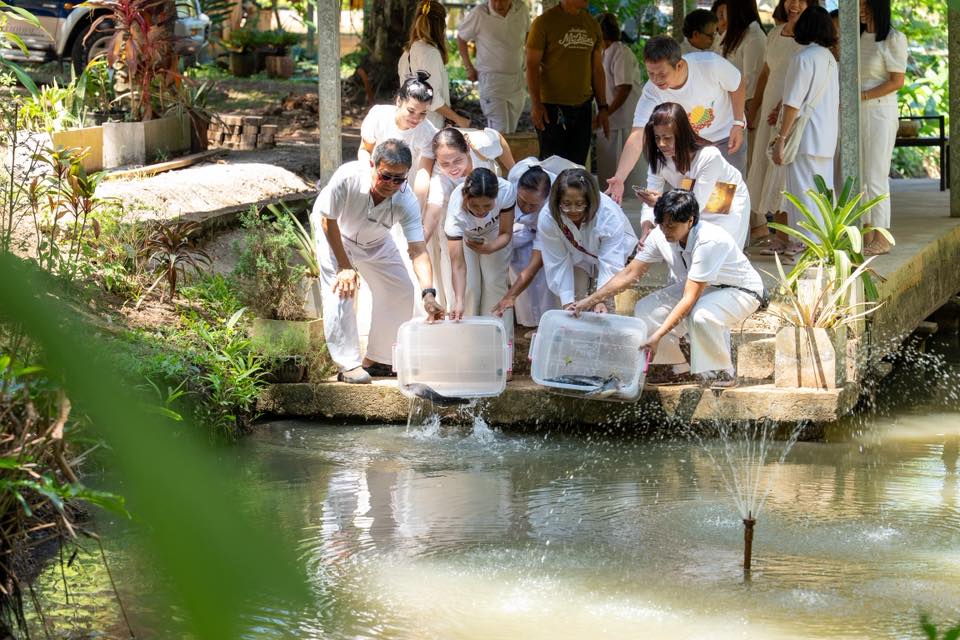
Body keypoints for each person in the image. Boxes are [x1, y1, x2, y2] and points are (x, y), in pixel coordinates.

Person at [571, 189, 764, 388]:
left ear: (690, 220)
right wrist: (588, 301)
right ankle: (677, 368)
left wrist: (658, 335)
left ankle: (721, 371)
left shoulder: (708, 240)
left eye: (672, 225)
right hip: (705, 288)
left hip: (741, 291)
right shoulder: (660, 235)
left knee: (702, 315)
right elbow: (630, 274)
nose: (666, 230)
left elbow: (689, 300)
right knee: (646, 309)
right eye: (662, 224)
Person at [312, 139, 444, 385]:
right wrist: (344, 266)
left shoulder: (406, 201)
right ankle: (348, 365)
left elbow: (418, 250)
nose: (392, 185)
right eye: (386, 176)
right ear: (373, 165)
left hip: (376, 240)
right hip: (336, 234)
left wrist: (428, 293)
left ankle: (378, 359)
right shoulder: (348, 177)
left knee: (401, 288)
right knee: (343, 291)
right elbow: (327, 221)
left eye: (399, 179)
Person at [607, 35, 747, 203]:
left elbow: (737, 85)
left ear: (679, 65)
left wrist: (738, 123)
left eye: (662, 74)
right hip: (691, 147)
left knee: (725, 202)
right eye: (651, 73)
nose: (656, 80)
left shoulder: (710, 64)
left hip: (726, 136)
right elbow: (638, 135)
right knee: (691, 202)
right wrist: (620, 177)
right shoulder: (652, 91)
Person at [745, 0, 816, 250]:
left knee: (788, 171)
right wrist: (754, 108)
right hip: (769, 109)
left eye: (801, 0)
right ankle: (781, 235)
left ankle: (801, 237)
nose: (794, 5)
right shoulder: (775, 33)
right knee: (770, 171)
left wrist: (785, 105)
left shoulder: (813, 38)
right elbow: (765, 73)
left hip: (794, 110)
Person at [635, 102, 750, 248]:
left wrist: (660, 202)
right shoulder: (660, 159)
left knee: (719, 252)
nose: (661, 144)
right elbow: (651, 196)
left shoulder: (709, 156)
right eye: (657, 138)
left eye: (668, 138)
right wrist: (647, 225)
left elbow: (696, 206)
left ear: (682, 135)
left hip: (727, 203)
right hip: (689, 204)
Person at [423, 128, 516, 307]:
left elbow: (498, 139)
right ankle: (465, 329)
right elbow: (433, 213)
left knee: (495, 282)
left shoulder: (480, 144)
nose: (453, 168)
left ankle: (497, 330)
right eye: (445, 163)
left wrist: (513, 169)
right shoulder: (439, 177)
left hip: (494, 223)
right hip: (459, 228)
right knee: (468, 289)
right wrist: (420, 242)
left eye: (458, 160)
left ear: (467, 149)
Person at [771, 6, 839, 248]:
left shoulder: (802, 58)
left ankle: (807, 251)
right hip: (826, 138)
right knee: (822, 197)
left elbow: (792, 105)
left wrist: (781, 138)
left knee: (802, 198)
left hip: (804, 139)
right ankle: (822, 250)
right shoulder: (830, 58)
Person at [538, 168, 638, 311]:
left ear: (590, 200)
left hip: (608, 257)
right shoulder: (548, 217)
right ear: (557, 201)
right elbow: (557, 262)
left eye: (579, 204)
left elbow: (610, 262)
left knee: (604, 308)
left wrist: (600, 300)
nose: (573, 210)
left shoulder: (608, 214)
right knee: (575, 298)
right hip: (576, 257)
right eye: (566, 204)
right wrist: (567, 302)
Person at [525, 0, 609, 165]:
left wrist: (603, 107)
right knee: (552, 167)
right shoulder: (544, 22)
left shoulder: (592, 24)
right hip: (551, 108)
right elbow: (532, 65)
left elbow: (597, 70)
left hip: (583, 107)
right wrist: (536, 105)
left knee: (577, 168)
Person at [499, 156, 574, 326]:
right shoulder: (515, 177)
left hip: (549, 233)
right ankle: (527, 320)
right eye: (523, 201)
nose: (526, 207)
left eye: (532, 205)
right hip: (521, 228)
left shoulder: (554, 203)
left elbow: (535, 263)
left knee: (544, 274)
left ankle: (546, 322)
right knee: (517, 264)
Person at [858, 0, 907, 256]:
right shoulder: (858, 36)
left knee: (876, 176)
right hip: (857, 114)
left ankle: (883, 236)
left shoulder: (894, 38)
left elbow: (897, 81)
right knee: (860, 177)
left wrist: (863, 96)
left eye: (865, 4)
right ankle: (865, 233)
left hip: (879, 113)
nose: (861, 9)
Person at [445, 168, 516, 323]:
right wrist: (459, 301)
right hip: (466, 235)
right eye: (475, 206)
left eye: (487, 205)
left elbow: (506, 233)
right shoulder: (456, 211)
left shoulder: (506, 190)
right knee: (469, 287)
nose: (481, 211)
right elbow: (457, 265)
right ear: (465, 196)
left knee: (494, 282)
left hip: (495, 231)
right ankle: (468, 337)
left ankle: (498, 335)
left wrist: (489, 248)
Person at [358, 72, 439, 204]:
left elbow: (423, 173)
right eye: (411, 111)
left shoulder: (428, 133)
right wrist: (367, 178)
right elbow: (365, 150)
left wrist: (416, 205)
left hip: (405, 190)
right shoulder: (378, 115)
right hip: (375, 182)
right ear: (399, 101)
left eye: (423, 113)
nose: (416, 118)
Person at [456, 0, 530, 134]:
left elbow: (529, 35)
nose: (497, 4)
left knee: (511, 129)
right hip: (491, 80)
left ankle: (501, 154)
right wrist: (469, 67)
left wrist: (529, 61)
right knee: (499, 131)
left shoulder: (521, 10)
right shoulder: (480, 12)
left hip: (516, 79)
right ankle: (495, 155)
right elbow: (461, 38)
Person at [398, 0, 470, 130]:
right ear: (441, 25)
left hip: (408, 124)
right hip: (428, 128)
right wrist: (458, 119)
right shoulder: (431, 53)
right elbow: (432, 99)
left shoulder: (406, 53)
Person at [595, 12, 645, 192]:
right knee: (608, 166)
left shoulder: (620, 51)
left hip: (623, 118)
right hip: (609, 117)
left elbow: (624, 88)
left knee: (629, 171)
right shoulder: (602, 52)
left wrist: (606, 112)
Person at [709, 0, 766, 152]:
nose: (723, 15)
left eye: (725, 9)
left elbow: (752, 82)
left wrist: (748, 116)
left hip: (744, 113)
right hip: (726, 111)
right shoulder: (734, 34)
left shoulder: (754, 37)